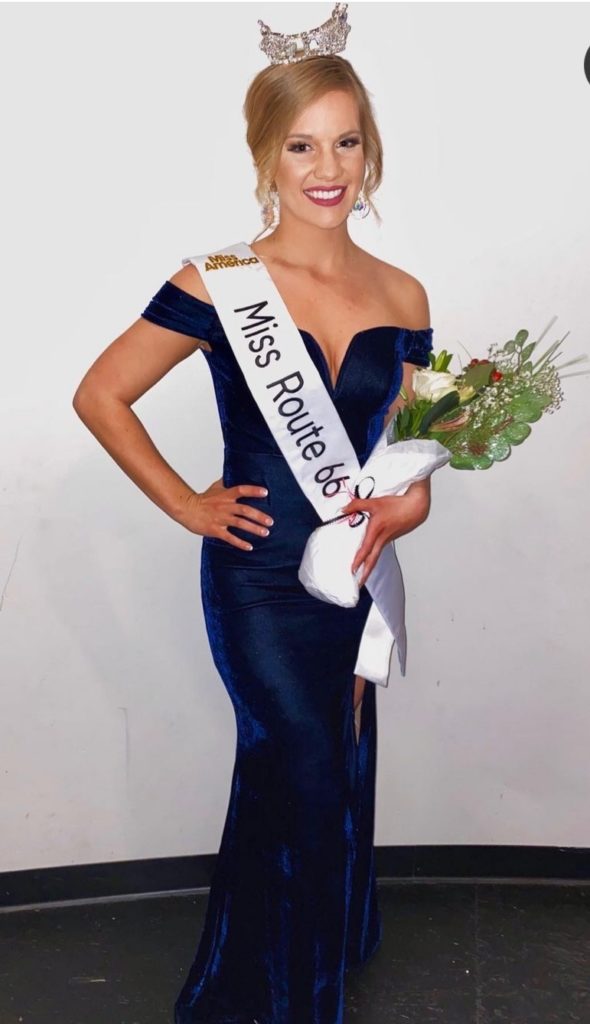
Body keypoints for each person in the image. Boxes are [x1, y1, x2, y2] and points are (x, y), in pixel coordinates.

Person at [72, 6, 434, 1022]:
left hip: (350, 574)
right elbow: (101, 394)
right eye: (301, 144)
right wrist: (186, 500)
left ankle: (262, 968)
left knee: (308, 771)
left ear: (369, 150)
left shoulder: (403, 295)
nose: (327, 166)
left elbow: (406, 454)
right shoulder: (219, 281)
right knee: (305, 769)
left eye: (346, 140)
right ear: (266, 156)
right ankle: (291, 1000)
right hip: (257, 573)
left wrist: (404, 510)